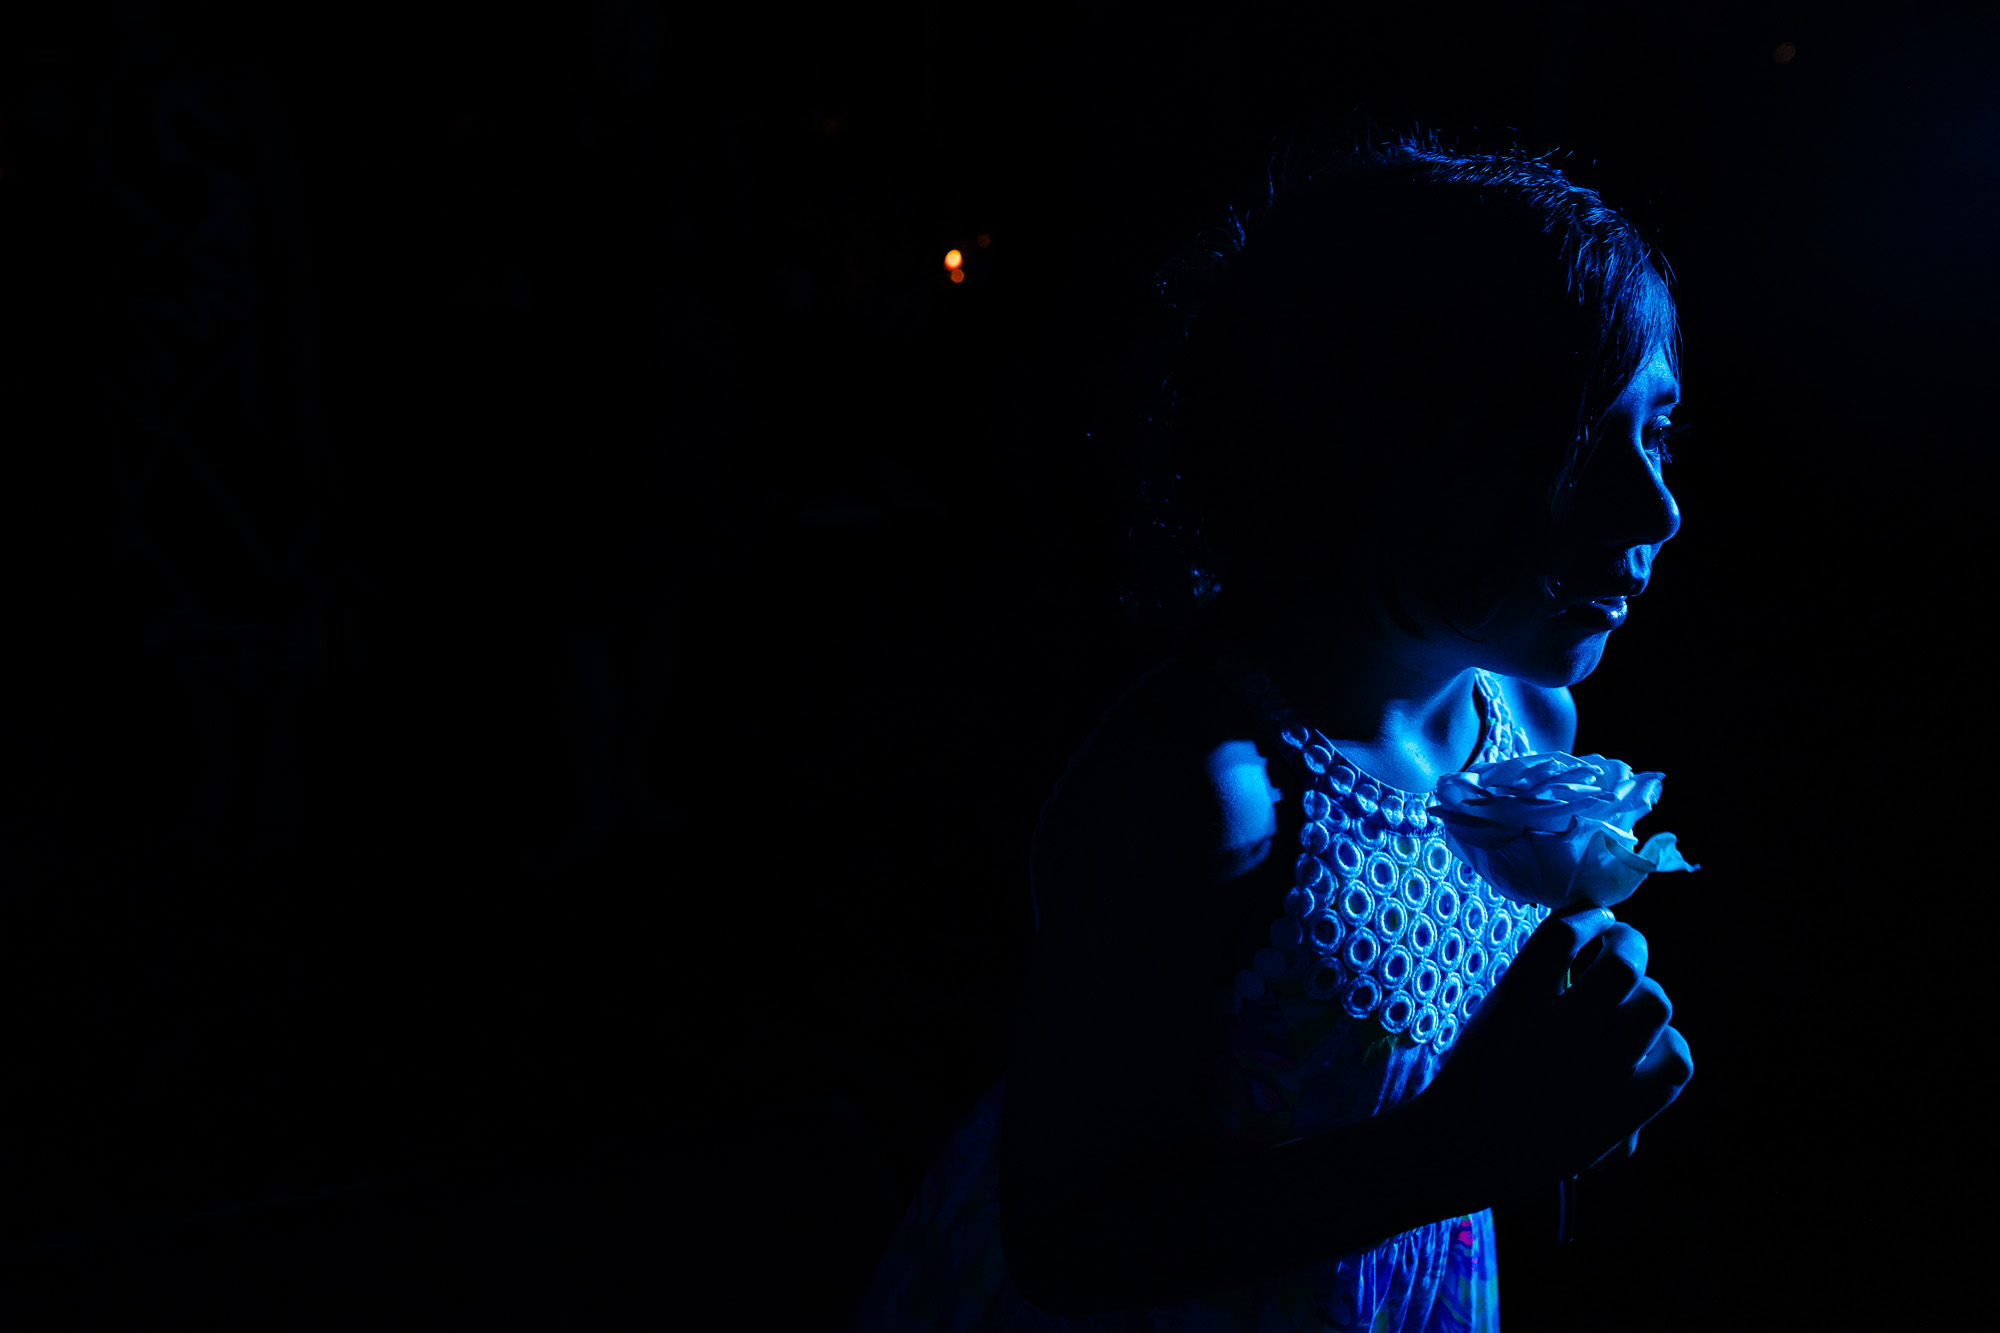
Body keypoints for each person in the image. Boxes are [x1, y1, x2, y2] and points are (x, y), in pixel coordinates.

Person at [854, 133, 1696, 1331]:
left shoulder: (1529, 731)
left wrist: (1571, 1072)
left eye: (1656, 432)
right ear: (1398, 442)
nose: (1656, 507)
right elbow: (1067, 1235)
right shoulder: (1210, 793)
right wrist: (1463, 1148)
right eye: (1576, 446)